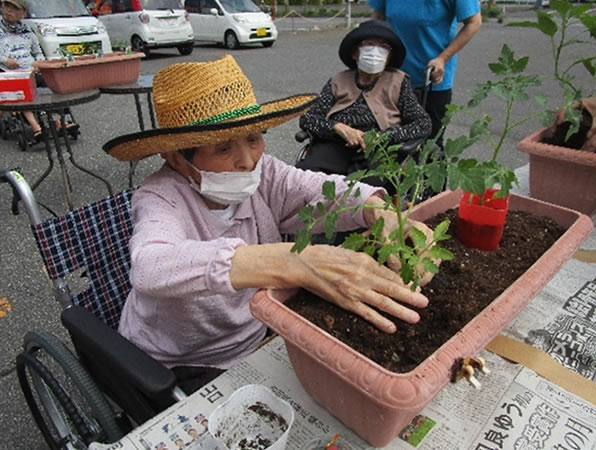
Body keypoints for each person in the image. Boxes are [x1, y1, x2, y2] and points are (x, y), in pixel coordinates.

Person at [103, 55, 437, 394]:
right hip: (186, 361)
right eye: (223, 148)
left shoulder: (265, 174)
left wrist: (376, 210)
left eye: (253, 138)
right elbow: (151, 266)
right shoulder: (160, 197)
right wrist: (294, 261)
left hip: (259, 327)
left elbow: (315, 189)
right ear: (177, 158)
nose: (248, 161)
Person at [297, 20, 432, 189]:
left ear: (389, 56)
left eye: (383, 46)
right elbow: (308, 118)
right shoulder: (338, 80)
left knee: (367, 192)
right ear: (355, 52)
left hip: (378, 150)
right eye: (368, 44)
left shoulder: (398, 81)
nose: (375, 52)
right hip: (336, 143)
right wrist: (337, 127)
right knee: (305, 177)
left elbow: (423, 123)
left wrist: (383, 137)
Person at [369, 0, 481, 145]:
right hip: (391, 76)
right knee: (389, 139)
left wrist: (442, 58)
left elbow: (474, 23)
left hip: (431, 78)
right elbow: (377, 18)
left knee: (430, 143)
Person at [0, 0, 44, 140]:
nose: (8, 10)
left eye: (14, 8)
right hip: (7, 72)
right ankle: (36, 126)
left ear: (23, 13)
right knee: (21, 88)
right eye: (7, 6)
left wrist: (39, 62)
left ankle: (57, 120)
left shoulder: (27, 30)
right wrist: (4, 60)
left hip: (29, 70)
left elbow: (38, 52)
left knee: (52, 84)